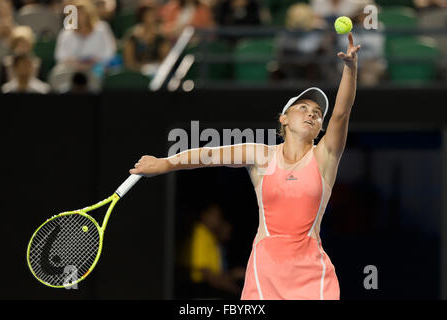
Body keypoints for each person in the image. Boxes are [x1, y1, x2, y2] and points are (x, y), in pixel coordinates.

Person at [130, 32, 361, 300]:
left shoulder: (325, 157)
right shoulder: (261, 155)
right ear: (283, 119)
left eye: (318, 113)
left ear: (320, 127)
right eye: (303, 108)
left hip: (312, 276)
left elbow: (342, 114)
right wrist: (165, 164)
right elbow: (208, 155)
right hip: (265, 274)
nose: (312, 113)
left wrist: (350, 69)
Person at [122, 1, 171, 75]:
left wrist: (153, 68)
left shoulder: (162, 37)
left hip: (157, 74)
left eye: (153, 15)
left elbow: (165, 60)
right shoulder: (132, 37)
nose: (151, 18)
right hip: (137, 75)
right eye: (148, 15)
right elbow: (129, 62)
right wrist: (141, 69)